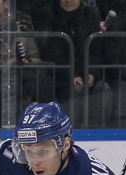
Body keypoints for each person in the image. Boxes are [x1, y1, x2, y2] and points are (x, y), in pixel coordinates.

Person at [0, 0, 52, 129]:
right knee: (3, 87)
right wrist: (4, 64)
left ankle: (43, 126)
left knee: (43, 83)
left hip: (24, 72)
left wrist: (26, 62)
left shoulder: (23, 27)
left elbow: (35, 57)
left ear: (6, 3)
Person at [32, 0, 112, 128]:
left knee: (103, 88)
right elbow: (50, 51)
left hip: (84, 74)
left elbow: (96, 49)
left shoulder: (90, 15)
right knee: (76, 90)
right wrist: (72, 75)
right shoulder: (46, 15)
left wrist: (91, 73)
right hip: (57, 76)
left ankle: (95, 134)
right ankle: (68, 131)